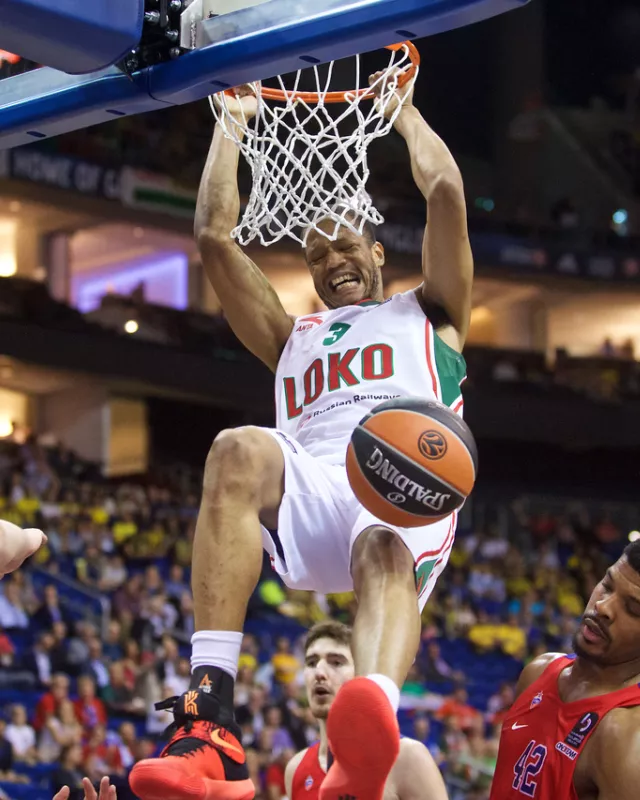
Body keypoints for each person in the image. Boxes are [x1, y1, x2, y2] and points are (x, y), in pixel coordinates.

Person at [130, 69, 473, 800]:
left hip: (403, 483)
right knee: (235, 448)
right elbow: (213, 237)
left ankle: (368, 726)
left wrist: (403, 114)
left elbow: (445, 192)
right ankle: (208, 720)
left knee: (382, 543)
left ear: (379, 252)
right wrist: (232, 125)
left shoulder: (432, 311)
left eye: (346, 247)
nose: (332, 264)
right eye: (316, 258)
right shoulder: (294, 336)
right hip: (316, 489)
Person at [489, 540, 640, 800]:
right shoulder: (538, 671)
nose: (603, 606)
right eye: (606, 585)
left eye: (632, 609)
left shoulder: (626, 734)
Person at [285, 620, 447, 800]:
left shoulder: (408, 758)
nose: (319, 673)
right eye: (311, 662)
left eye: (336, 662)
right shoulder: (296, 768)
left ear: (360, 674)